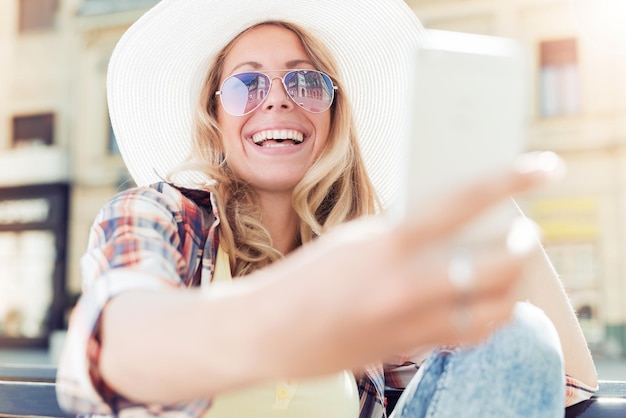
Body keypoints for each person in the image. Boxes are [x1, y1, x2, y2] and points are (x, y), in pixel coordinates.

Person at [56, 0, 598, 417]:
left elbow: (561, 383)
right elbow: (117, 347)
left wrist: (485, 196)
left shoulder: (362, 269)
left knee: (518, 332)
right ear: (213, 116)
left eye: (306, 81)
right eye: (246, 84)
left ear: (334, 117)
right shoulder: (158, 215)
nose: (277, 99)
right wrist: (299, 313)